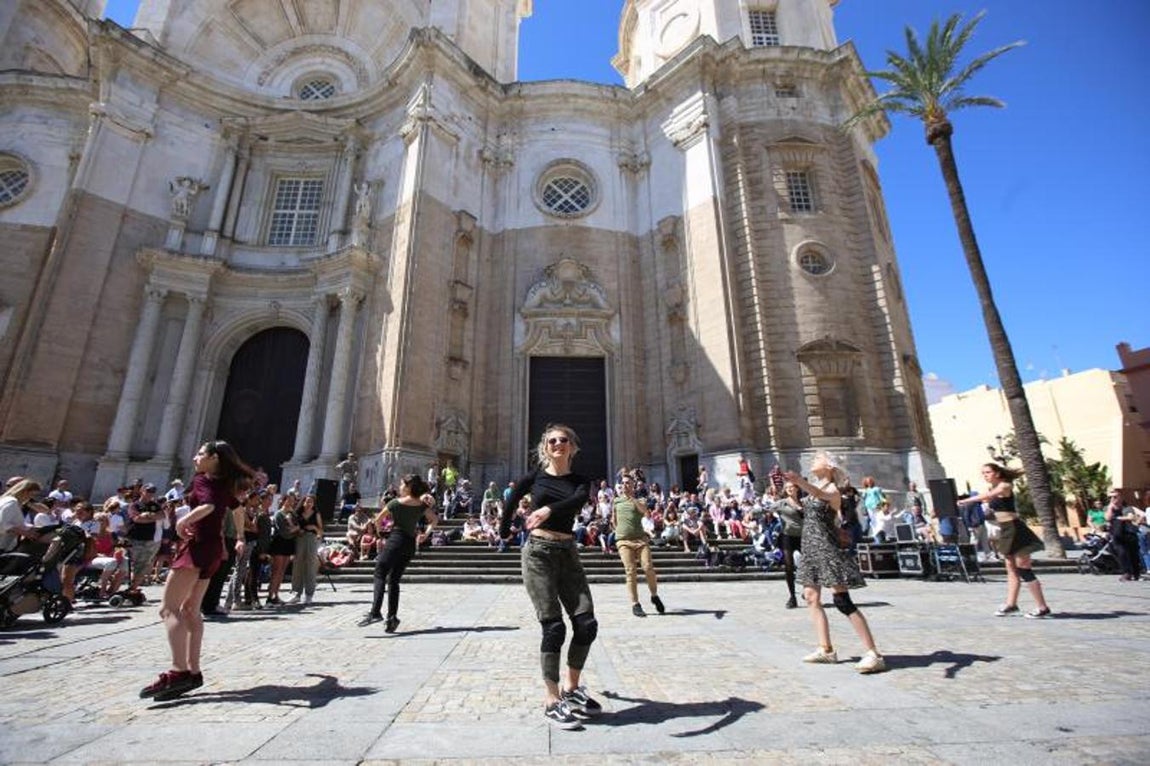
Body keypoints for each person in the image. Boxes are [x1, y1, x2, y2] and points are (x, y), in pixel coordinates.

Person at [501, 424, 600, 730]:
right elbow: (511, 499)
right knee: (554, 627)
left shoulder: (582, 481)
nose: (558, 444)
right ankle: (551, 699)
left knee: (586, 623)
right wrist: (505, 529)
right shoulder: (534, 477)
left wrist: (546, 509)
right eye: (552, 440)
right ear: (545, 447)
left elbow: (577, 501)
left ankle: (571, 689)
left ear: (573, 447)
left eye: (564, 440)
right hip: (539, 553)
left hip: (568, 552)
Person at [140, 440, 253, 701]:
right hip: (214, 549)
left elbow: (210, 506)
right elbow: (237, 509)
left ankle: (179, 671)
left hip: (197, 548)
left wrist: (184, 520)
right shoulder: (224, 483)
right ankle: (193, 671)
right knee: (191, 609)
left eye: (201, 453)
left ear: (214, 457)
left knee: (169, 609)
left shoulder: (204, 480)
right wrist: (238, 537)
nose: (195, 458)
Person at [785, 454, 886, 674]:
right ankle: (826, 649)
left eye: (818, 459)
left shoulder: (832, 490)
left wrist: (799, 482)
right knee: (811, 598)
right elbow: (806, 505)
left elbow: (820, 494)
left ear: (829, 466)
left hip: (826, 548)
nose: (813, 461)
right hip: (811, 548)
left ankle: (873, 653)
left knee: (842, 601)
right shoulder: (815, 489)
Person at [958, 463, 1051, 618]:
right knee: (1011, 568)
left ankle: (1042, 607)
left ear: (997, 473)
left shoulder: (1004, 486)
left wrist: (967, 500)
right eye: (983, 473)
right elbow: (987, 500)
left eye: (987, 472)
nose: (985, 475)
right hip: (1005, 529)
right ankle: (1011, 604)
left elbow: (987, 497)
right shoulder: (993, 489)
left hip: (1015, 529)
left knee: (1024, 569)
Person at [358, 474, 437, 631]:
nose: (399, 487)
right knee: (394, 579)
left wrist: (380, 533)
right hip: (409, 544)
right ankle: (392, 617)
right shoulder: (421, 505)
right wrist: (425, 534)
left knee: (380, 572)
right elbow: (434, 520)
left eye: (401, 484)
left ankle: (375, 612)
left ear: (408, 487)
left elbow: (378, 520)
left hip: (396, 539)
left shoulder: (396, 503)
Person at [613, 474, 665, 617]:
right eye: (623, 483)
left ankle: (654, 596)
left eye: (628, 483)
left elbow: (644, 512)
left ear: (633, 485)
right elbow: (614, 520)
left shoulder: (640, 500)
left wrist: (632, 499)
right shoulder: (616, 501)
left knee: (648, 567)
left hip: (640, 540)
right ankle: (635, 604)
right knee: (630, 571)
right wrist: (619, 531)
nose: (625, 485)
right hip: (623, 541)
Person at [773, 481, 804, 609]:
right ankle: (792, 597)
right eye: (788, 487)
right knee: (789, 566)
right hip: (787, 536)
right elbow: (767, 509)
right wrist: (752, 512)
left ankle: (807, 590)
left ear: (797, 488)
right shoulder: (782, 503)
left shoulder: (804, 502)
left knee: (809, 564)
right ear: (785, 490)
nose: (790, 489)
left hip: (803, 536)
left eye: (792, 486)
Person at [289, 494, 324, 604]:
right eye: (307, 501)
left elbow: (320, 531)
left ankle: (309, 594)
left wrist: (313, 527)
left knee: (310, 565)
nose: (308, 504)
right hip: (300, 539)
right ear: (303, 502)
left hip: (312, 539)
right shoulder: (298, 514)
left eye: (311, 502)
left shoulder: (316, 514)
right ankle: (296, 593)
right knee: (297, 565)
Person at [1105, 488, 1143, 581]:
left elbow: (1131, 516)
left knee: (1133, 554)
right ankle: (1126, 573)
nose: (1113, 499)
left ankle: (1136, 573)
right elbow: (1107, 518)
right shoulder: (1110, 508)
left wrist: (1137, 521)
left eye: (1115, 497)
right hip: (1117, 535)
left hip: (1129, 533)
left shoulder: (1127, 508)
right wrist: (1111, 507)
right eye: (1110, 497)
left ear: (1120, 497)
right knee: (1122, 554)